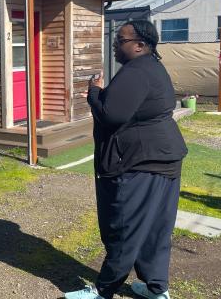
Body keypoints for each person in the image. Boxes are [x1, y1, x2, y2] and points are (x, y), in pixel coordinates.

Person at [65, 20, 187, 299]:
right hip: (163, 157)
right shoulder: (151, 68)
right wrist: (105, 95)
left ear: (140, 45)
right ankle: (157, 289)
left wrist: (95, 93)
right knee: (155, 227)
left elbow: (112, 116)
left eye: (121, 41)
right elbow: (131, 106)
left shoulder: (135, 71)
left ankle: (102, 291)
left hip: (140, 162)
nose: (116, 45)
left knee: (125, 225)